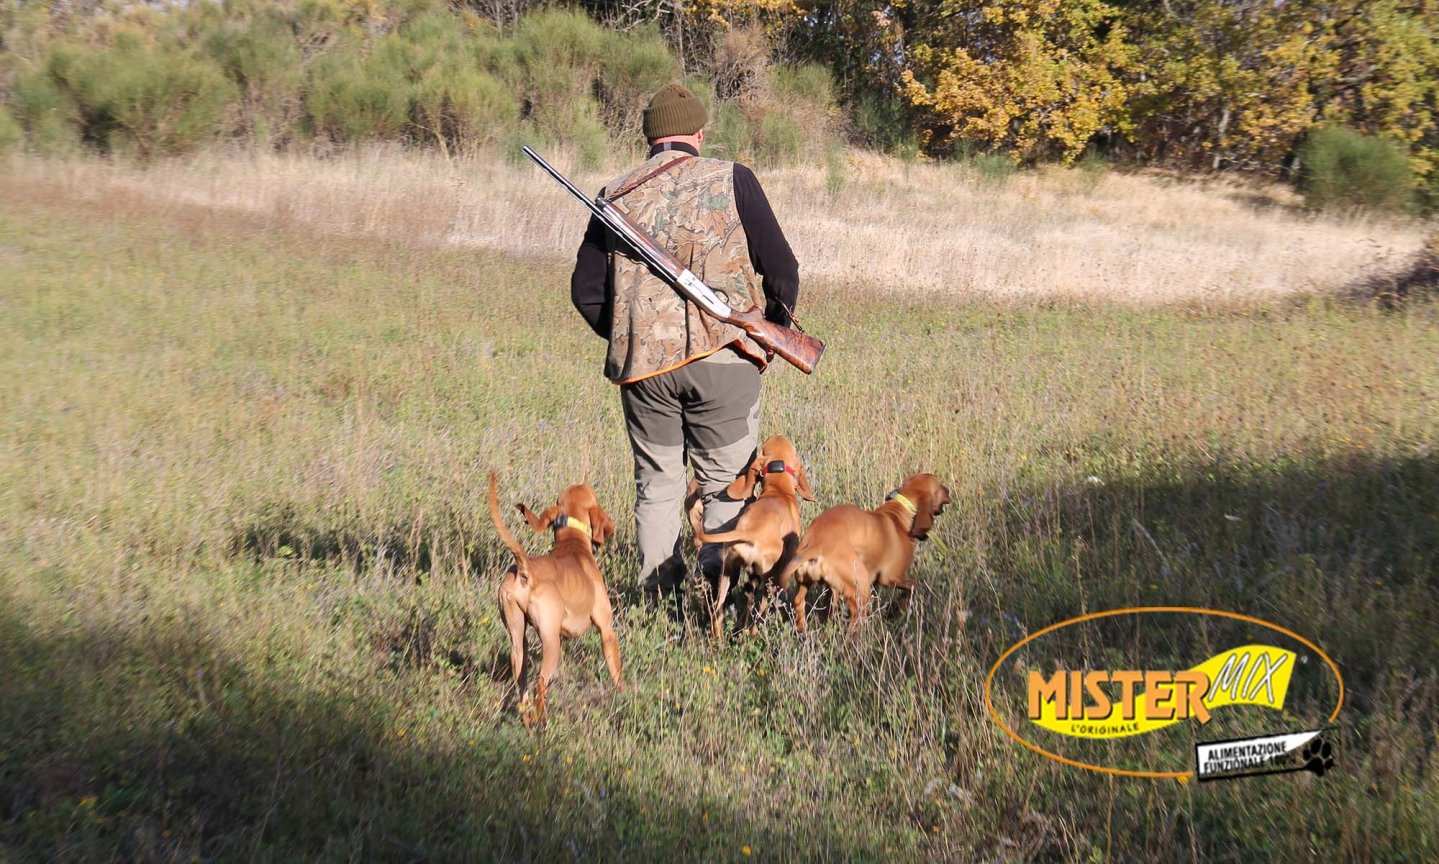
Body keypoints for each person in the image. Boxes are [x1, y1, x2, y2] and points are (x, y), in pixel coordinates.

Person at [569, 82, 800, 614]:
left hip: (643, 373)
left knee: (657, 488)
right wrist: (768, 331)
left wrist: (633, 335)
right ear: (699, 133)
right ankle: (720, 603)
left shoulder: (614, 195)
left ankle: (660, 607)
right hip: (727, 365)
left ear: (649, 137)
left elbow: (585, 292)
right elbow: (783, 271)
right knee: (728, 486)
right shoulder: (733, 178)